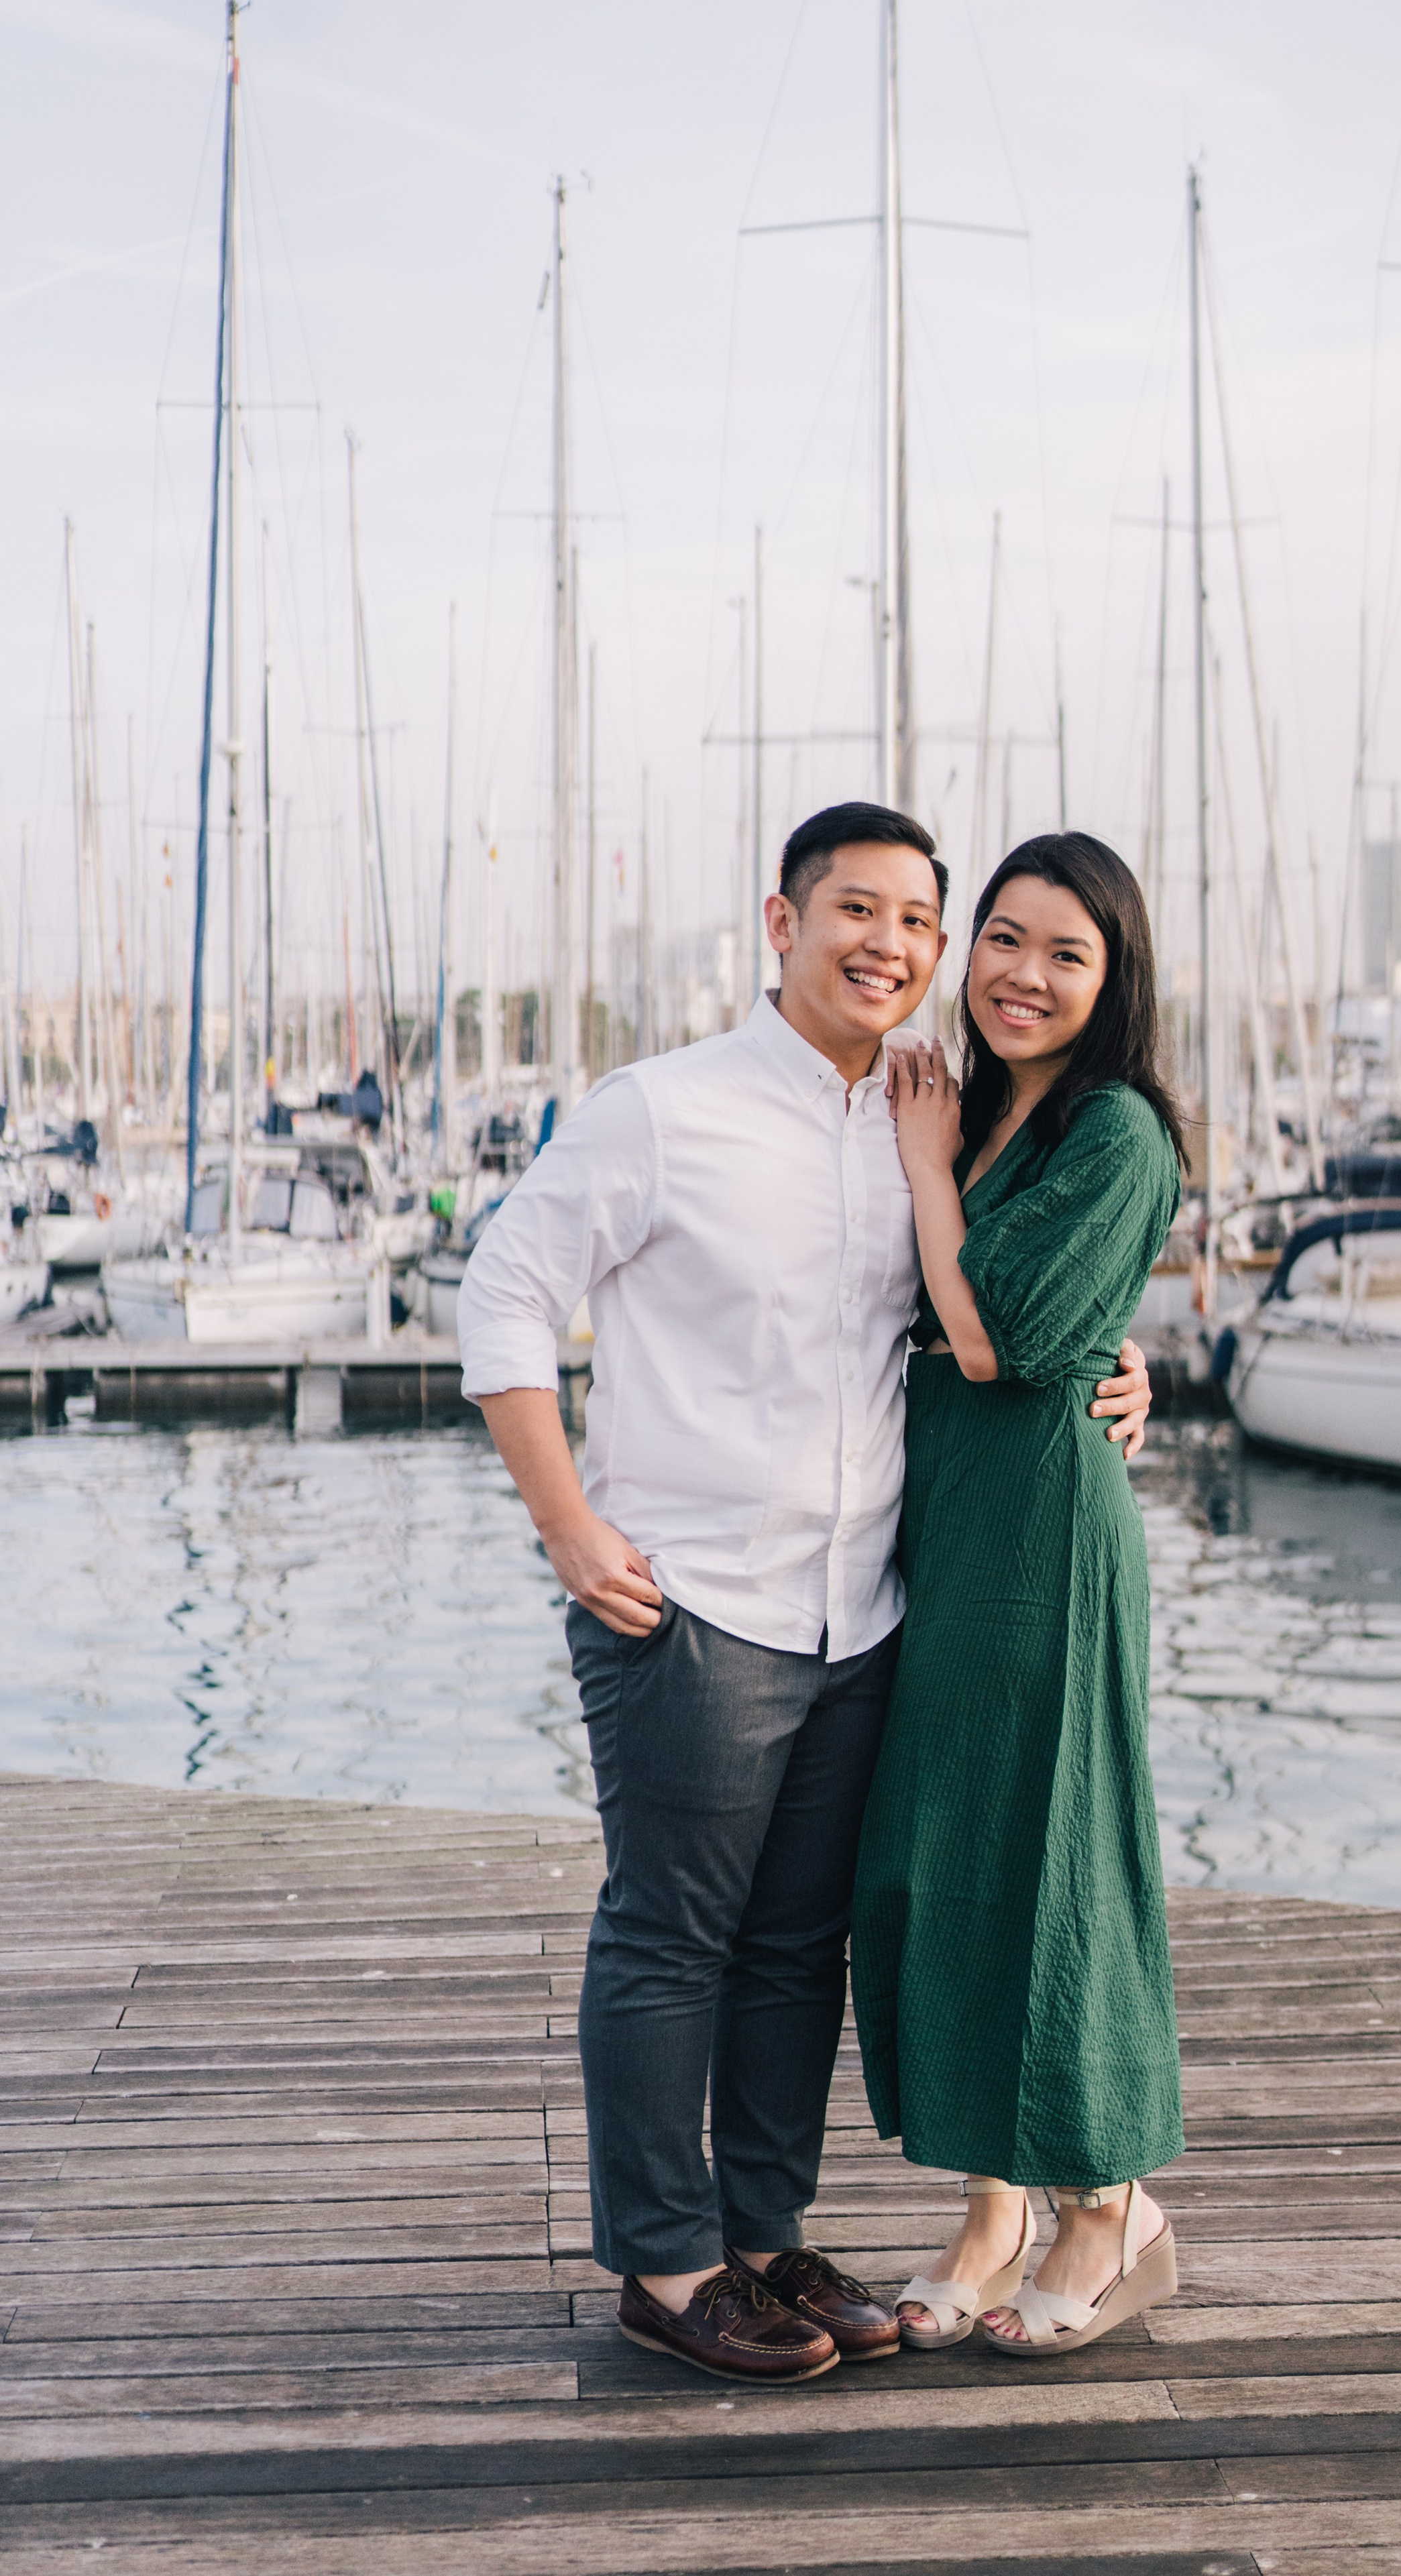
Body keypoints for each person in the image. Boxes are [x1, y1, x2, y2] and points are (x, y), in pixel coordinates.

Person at [456, 801, 1156, 2386]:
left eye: (920, 919)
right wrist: (568, 1527)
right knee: (670, 1937)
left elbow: (1003, 1303)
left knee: (793, 1948)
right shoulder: (665, 1110)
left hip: (864, 1610)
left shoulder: (928, 1110)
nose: (893, 946)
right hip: (692, 1601)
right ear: (779, 922)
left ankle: (763, 2239)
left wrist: (1125, 1367)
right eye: (859, 911)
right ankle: (666, 2259)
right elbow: (500, 1303)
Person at [850, 829, 1187, 2357]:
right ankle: (993, 2204)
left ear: (1111, 978)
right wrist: (933, 1159)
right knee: (950, 1860)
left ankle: (1108, 2200)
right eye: (1001, 938)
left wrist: (926, 1172)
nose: (1021, 974)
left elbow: (1006, 1343)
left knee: (1058, 1853)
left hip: (1042, 1530)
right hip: (938, 1522)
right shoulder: (968, 1107)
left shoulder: (1114, 1130)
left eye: (1064, 951)